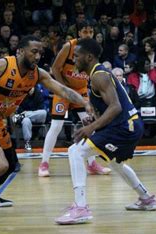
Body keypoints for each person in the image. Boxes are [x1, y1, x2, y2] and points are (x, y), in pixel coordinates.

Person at [0, 35, 93, 222]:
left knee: (10, 165)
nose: (37, 57)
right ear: (20, 51)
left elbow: (63, 90)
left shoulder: (38, 74)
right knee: (0, 165)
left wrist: (85, 102)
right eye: (34, 52)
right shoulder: (0, 66)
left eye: (40, 53)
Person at [55, 38, 156, 225]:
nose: (74, 60)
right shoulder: (95, 74)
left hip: (124, 127)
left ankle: (81, 208)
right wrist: (94, 120)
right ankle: (146, 198)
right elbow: (109, 108)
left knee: (75, 151)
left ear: (89, 57)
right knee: (114, 162)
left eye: (76, 56)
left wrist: (91, 127)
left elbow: (115, 107)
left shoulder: (99, 75)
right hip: (127, 125)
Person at [39, 21, 111, 177]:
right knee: (56, 126)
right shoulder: (69, 46)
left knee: (90, 124)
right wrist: (63, 87)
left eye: (91, 32)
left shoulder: (94, 49)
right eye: (85, 31)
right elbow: (56, 68)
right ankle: (44, 164)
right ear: (79, 33)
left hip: (82, 90)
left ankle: (92, 164)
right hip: (64, 90)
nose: (88, 34)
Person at [13, 85, 48, 152]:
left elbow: (41, 108)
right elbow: (19, 109)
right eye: (29, 88)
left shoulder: (38, 94)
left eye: (32, 88)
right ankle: (27, 142)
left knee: (44, 112)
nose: (30, 90)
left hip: (37, 117)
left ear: (34, 88)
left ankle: (23, 115)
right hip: (26, 118)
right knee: (26, 120)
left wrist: (29, 113)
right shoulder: (23, 95)